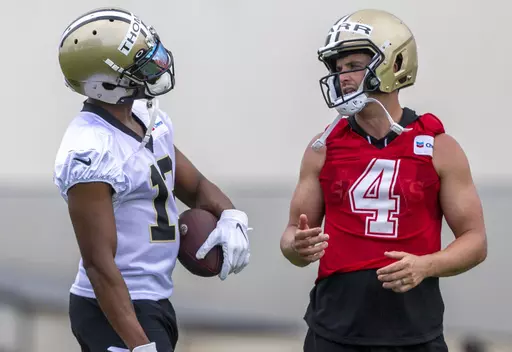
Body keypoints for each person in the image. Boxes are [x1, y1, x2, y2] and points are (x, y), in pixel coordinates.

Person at [279, 8, 487, 352]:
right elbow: (291, 237)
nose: (343, 78)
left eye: (354, 66)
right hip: (333, 332)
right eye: (339, 68)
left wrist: (426, 265)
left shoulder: (438, 147)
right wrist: (296, 247)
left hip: (414, 334)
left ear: (394, 62)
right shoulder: (322, 147)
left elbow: (475, 241)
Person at [54, 7, 251, 352]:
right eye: (140, 63)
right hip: (112, 308)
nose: (157, 66)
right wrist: (139, 345)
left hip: (155, 299)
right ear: (106, 83)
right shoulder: (89, 150)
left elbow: (196, 185)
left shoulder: (146, 116)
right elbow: (99, 264)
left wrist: (230, 214)